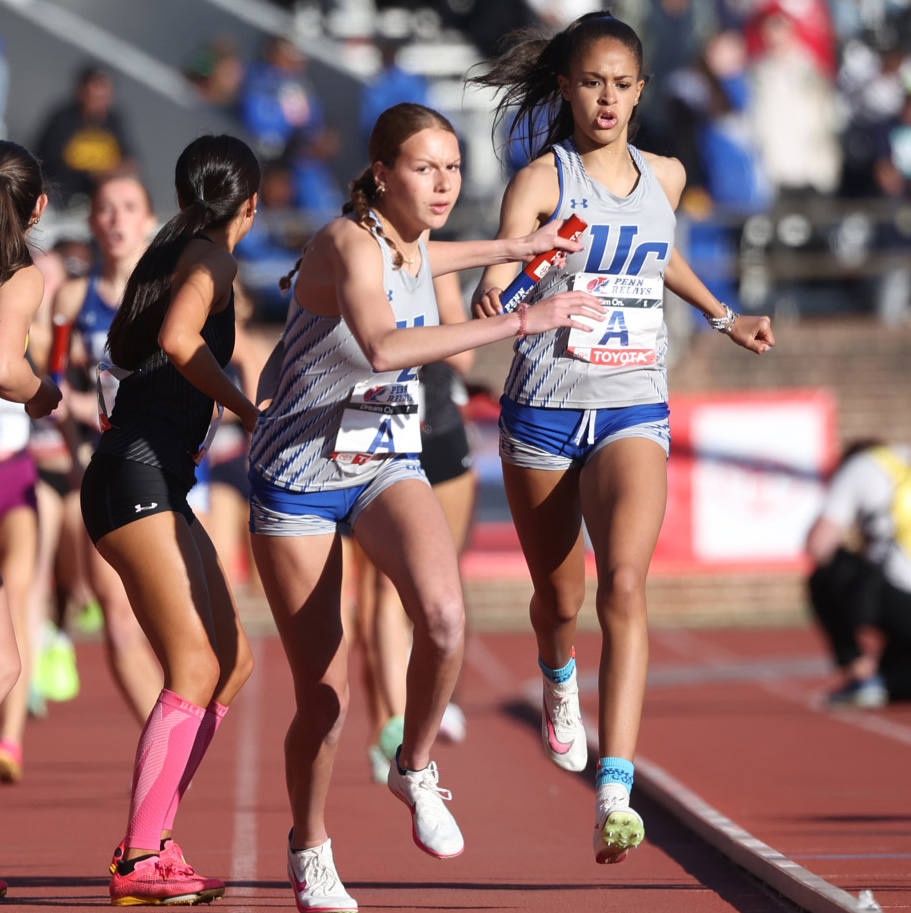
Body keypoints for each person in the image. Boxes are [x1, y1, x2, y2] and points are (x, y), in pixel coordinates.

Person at [248, 101, 605, 912]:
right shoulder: (346, 242)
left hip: (379, 461)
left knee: (444, 617)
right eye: (423, 168)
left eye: (451, 168)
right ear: (380, 174)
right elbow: (380, 345)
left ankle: (413, 765)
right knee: (325, 696)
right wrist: (524, 315)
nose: (443, 182)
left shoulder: (411, 241)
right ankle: (309, 844)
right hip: (299, 478)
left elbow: (434, 254)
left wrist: (519, 247)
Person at [469, 11, 775, 865]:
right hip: (544, 412)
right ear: (566, 88)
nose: (606, 98)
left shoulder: (666, 176)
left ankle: (615, 787)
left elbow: (658, 253)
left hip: (634, 403)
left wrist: (720, 316)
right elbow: (501, 270)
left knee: (627, 584)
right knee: (559, 600)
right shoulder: (541, 179)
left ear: (640, 90)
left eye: (621, 83)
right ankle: (558, 674)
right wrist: (496, 296)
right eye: (591, 82)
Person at [79, 134, 260, 906]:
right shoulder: (210, 259)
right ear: (248, 205)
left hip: (152, 479)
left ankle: (153, 837)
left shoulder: (176, 248)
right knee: (192, 667)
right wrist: (245, 404)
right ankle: (139, 854)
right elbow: (178, 340)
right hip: (135, 479)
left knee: (233, 660)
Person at [53, 170, 163, 724]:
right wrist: (75, 442)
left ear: (149, 220)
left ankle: (177, 725)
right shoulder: (75, 298)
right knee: (117, 618)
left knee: (187, 632)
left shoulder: (173, 291)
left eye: (128, 207)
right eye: (105, 208)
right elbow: (53, 385)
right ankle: (160, 749)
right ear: (93, 221)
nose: (116, 219)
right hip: (107, 473)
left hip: (174, 474)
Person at [0, 139, 63, 893]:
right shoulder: (21, 275)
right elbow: (3, 363)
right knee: (7, 662)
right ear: (39, 209)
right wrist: (40, 390)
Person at [806, 440, 911, 708]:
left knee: (826, 574)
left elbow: (819, 544)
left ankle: (859, 671)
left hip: (898, 595)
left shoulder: (859, 467)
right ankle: (888, 679)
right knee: (897, 678)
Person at [33, 67, 136, 209]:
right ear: (81, 92)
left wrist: (121, 171)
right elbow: (46, 161)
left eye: (103, 97)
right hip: (63, 197)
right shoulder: (63, 119)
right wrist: (92, 175)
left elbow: (129, 159)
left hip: (101, 197)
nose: (99, 102)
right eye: (94, 96)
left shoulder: (114, 122)